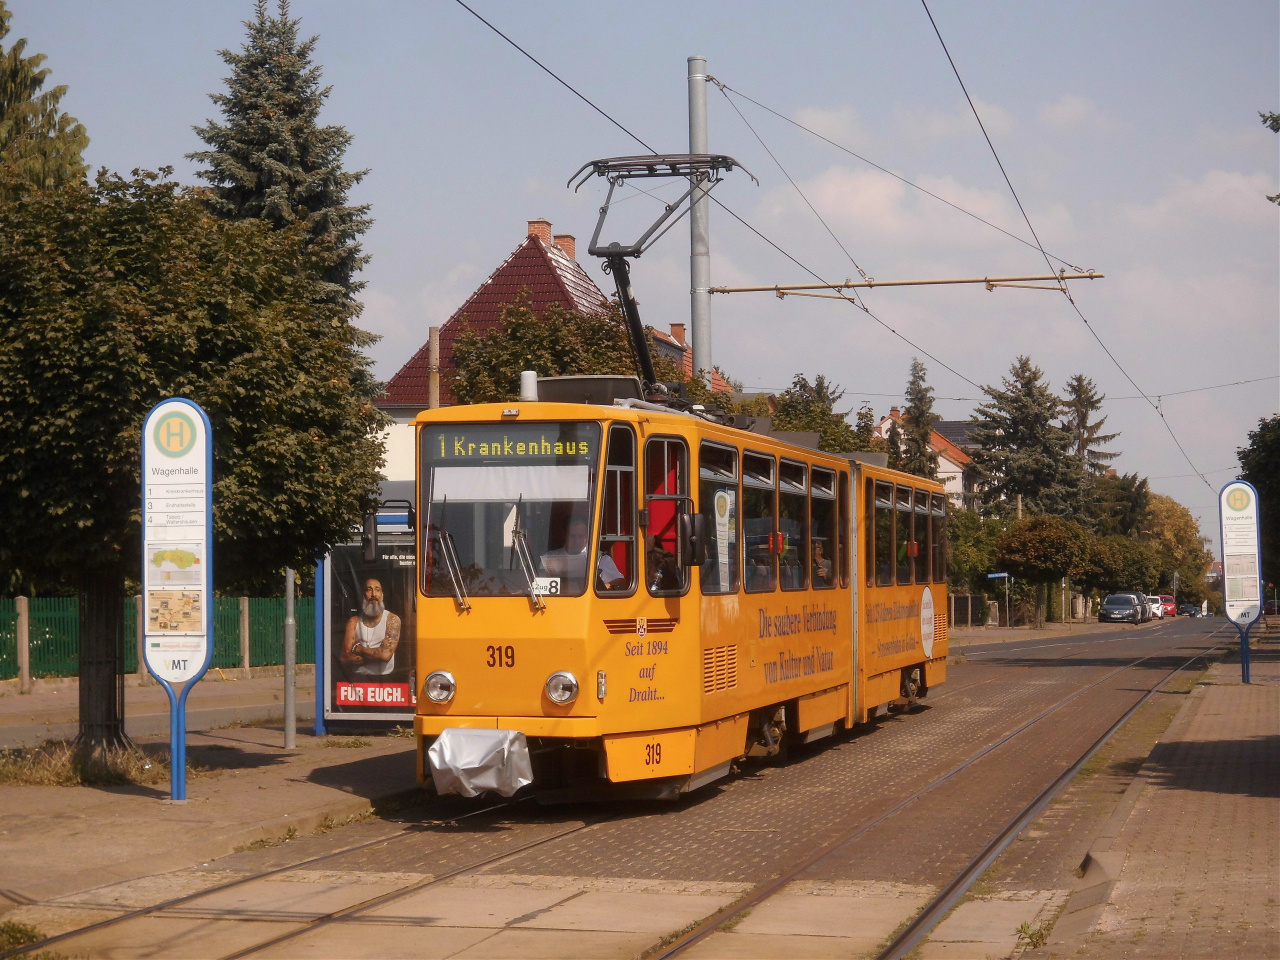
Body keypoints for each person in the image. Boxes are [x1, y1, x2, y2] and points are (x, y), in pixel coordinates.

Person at [339, 578, 401, 676]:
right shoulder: (354, 622)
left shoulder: (392, 620)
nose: (373, 595)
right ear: (364, 595)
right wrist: (379, 652)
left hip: (385, 680)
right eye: (369, 589)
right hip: (357, 680)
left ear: (382, 595)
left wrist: (358, 649)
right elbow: (344, 657)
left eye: (377, 590)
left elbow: (385, 656)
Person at [541, 515, 624, 589]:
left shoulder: (601, 559)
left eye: (581, 536)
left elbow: (620, 581)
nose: (576, 540)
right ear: (565, 535)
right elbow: (538, 582)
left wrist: (601, 588)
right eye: (572, 536)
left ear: (587, 536)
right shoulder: (550, 557)